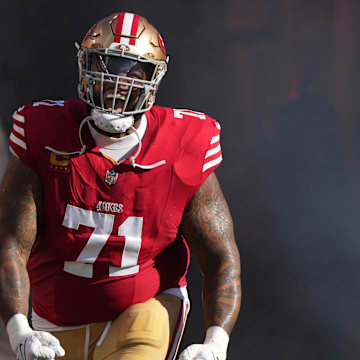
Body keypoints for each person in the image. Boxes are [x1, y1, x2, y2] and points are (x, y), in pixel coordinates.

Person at [0, 12, 241, 360]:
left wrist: (216, 342)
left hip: (145, 309)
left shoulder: (184, 143)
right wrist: (19, 330)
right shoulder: (44, 132)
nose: (117, 82)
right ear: (85, 66)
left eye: (132, 72)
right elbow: (10, 241)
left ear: (152, 80)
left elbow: (220, 255)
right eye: (108, 65)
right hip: (55, 318)